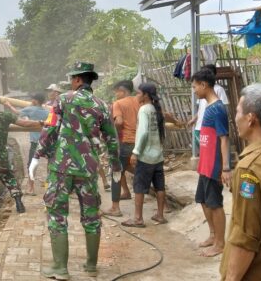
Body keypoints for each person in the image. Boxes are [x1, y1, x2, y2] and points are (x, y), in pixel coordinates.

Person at [33, 62, 120, 279]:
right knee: (91, 216)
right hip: (89, 168)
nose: (71, 82)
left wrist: (36, 156)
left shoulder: (64, 99)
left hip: (61, 167)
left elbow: (50, 127)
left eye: (73, 78)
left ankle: (60, 268)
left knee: (57, 215)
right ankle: (91, 266)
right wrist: (116, 165)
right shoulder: (102, 105)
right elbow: (112, 139)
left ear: (79, 79)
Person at [220, 83, 261, 280]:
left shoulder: (250, 168)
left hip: (260, 272)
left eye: (238, 111)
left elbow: (246, 238)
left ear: (251, 119)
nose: (235, 117)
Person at [191, 69, 231, 257]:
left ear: (203, 85)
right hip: (205, 164)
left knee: (215, 203)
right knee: (203, 200)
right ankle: (213, 235)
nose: (194, 90)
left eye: (194, 86)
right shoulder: (207, 107)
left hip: (214, 165)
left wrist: (225, 168)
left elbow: (224, 139)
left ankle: (220, 244)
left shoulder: (218, 109)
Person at [121, 83, 167, 227]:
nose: (137, 96)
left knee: (139, 187)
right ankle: (160, 215)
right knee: (160, 186)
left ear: (145, 95)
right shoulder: (155, 109)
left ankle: (138, 219)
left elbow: (143, 132)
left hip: (146, 156)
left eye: (139, 93)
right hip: (157, 155)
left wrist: (136, 152)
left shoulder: (143, 110)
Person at [103, 80, 140, 217]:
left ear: (122, 91)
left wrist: (113, 130)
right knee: (137, 169)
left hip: (126, 142)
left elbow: (118, 122)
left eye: (116, 92)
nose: (115, 95)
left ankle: (115, 208)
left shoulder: (118, 104)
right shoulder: (139, 100)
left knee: (116, 173)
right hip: (140, 142)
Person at [4, 93, 49, 195]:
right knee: (50, 163)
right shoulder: (46, 111)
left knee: (32, 164)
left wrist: (9, 105)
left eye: (32, 99)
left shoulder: (31, 109)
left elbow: (17, 112)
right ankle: (50, 186)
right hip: (46, 141)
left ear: (36, 101)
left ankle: (31, 188)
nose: (31, 100)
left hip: (35, 142)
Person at [187, 64, 229, 153]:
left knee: (212, 150)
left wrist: (225, 166)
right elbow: (200, 110)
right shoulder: (202, 97)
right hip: (200, 125)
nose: (194, 91)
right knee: (205, 151)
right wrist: (194, 119)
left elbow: (223, 108)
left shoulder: (218, 92)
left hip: (211, 127)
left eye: (194, 87)